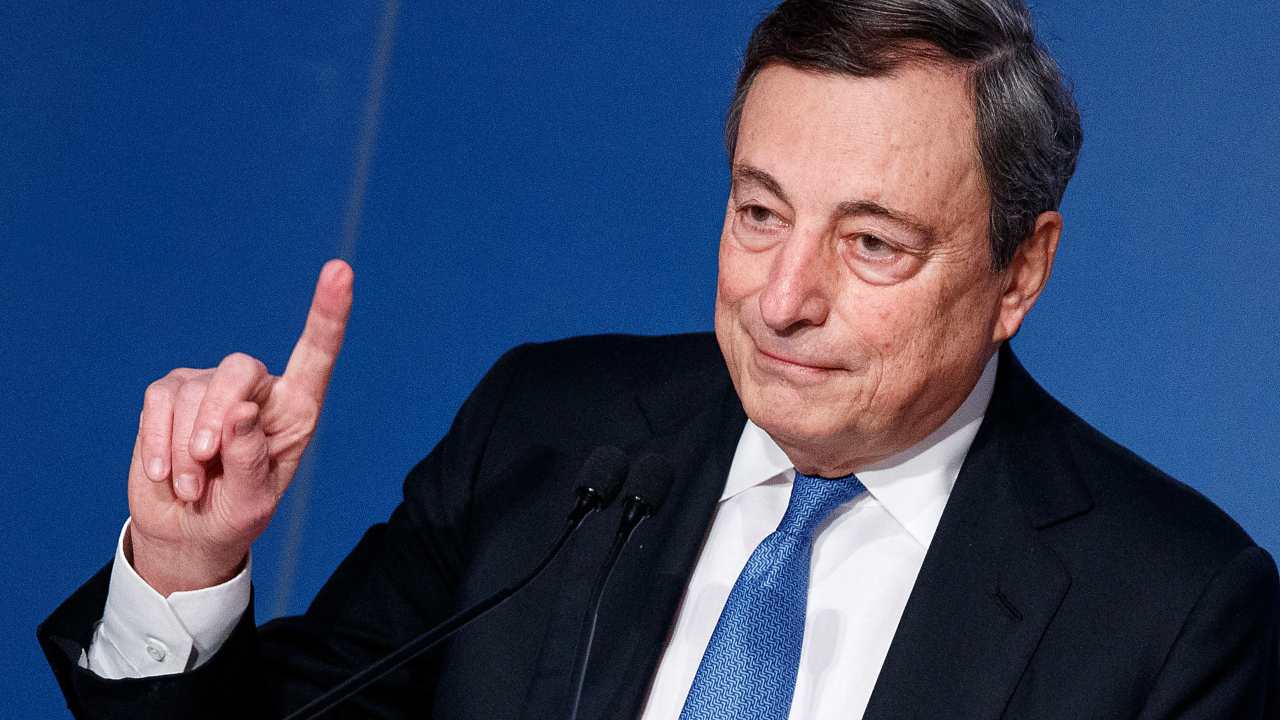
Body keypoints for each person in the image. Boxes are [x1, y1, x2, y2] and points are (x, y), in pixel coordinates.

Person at [40, 0, 1279, 718]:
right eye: (758, 212)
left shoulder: (1169, 610)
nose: (780, 300)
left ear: (1019, 271)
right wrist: (189, 565)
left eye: (870, 242)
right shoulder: (547, 436)